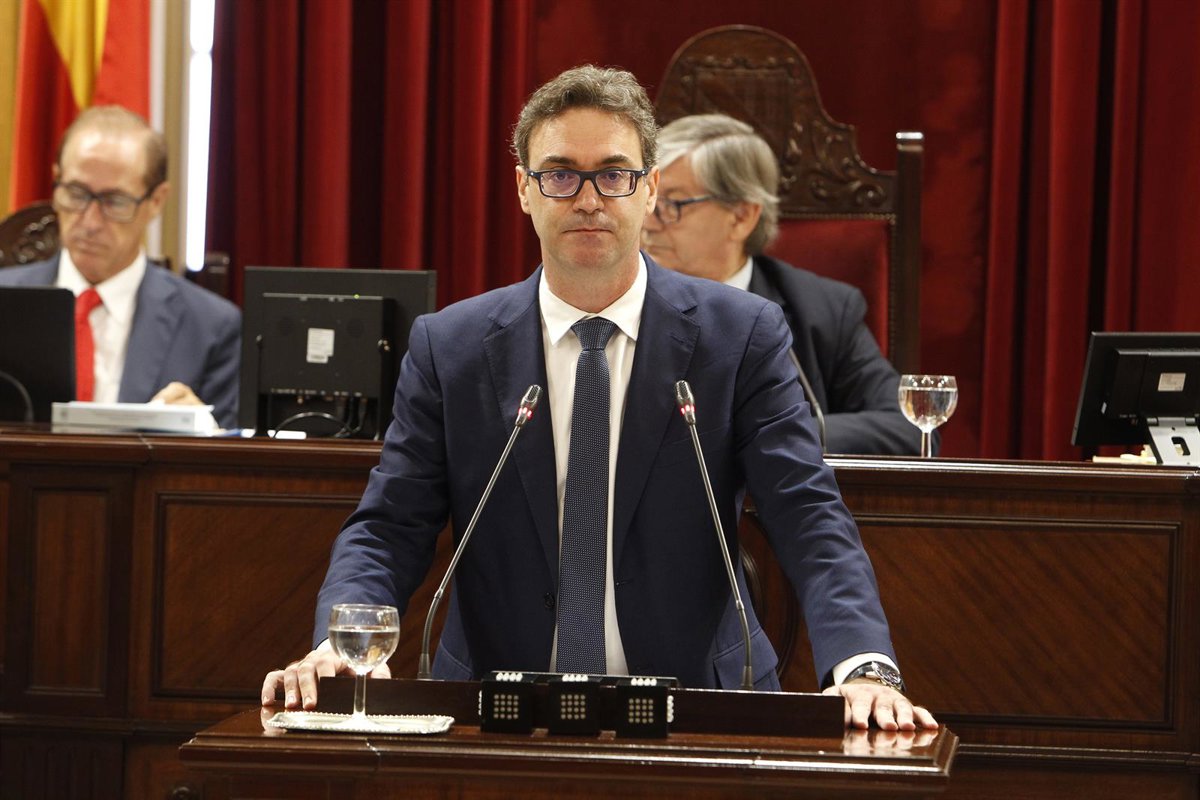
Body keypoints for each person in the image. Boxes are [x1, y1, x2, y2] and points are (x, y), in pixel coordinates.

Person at [262, 66, 936, 731]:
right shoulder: (452, 348)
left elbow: (807, 513)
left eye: (614, 175)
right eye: (560, 175)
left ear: (649, 191)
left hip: (698, 710)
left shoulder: (740, 337)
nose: (588, 199)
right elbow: (388, 527)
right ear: (524, 190)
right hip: (494, 713)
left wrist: (863, 665)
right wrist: (341, 644)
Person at [642, 113, 926, 455]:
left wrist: (772, 432)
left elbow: (910, 429)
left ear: (742, 217)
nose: (648, 222)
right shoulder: (611, 298)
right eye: (648, 199)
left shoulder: (821, 310)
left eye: (672, 204)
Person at [0, 105, 241, 428]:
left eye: (114, 202)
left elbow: (227, 452)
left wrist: (202, 431)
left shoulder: (212, 327)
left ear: (156, 201)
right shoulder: (5, 299)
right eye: (76, 193)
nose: (90, 222)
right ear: (56, 184)